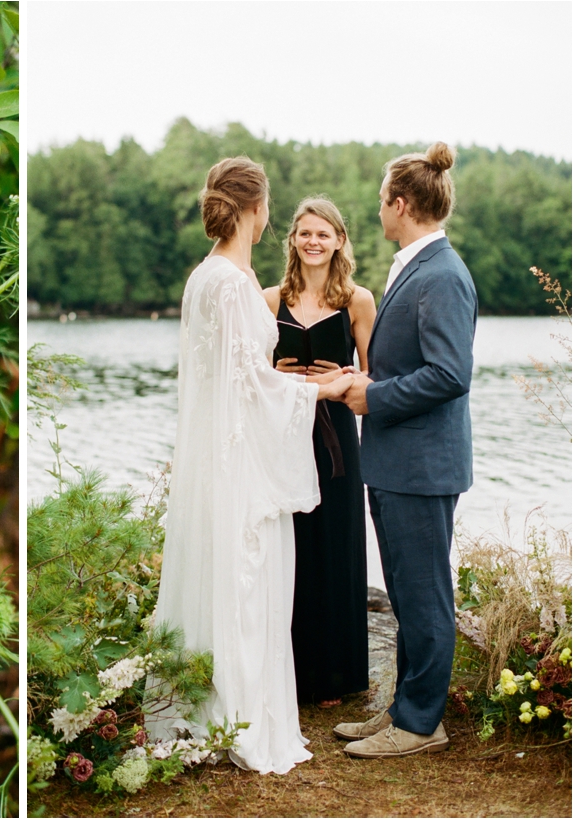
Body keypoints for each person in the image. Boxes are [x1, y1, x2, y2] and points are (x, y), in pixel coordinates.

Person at [147, 157, 353, 775]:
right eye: (268, 209)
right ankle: (236, 718)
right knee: (245, 579)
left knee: (220, 575)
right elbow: (248, 385)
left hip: (216, 455)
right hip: (239, 464)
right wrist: (325, 389)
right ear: (255, 210)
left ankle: (204, 705)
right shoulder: (233, 283)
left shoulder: (205, 275)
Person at [332, 142, 477, 758]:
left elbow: (451, 374)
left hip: (421, 466)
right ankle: (403, 709)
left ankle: (420, 725)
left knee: (423, 595)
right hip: (396, 462)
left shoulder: (443, 274)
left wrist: (374, 396)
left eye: (381, 203)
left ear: (401, 204)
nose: (378, 213)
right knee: (403, 590)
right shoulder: (412, 265)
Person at [262, 199, 376, 708]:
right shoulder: (269, 300)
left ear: (339, 241)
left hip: (334, 441)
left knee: (334, 547)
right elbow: (251, 379)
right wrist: (284, 379)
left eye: (323, 234)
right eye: (305, 233)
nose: (313, 242)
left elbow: (374, 381)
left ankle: (335, 675)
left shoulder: (358, 301)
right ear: (292, 240)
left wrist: (338, 380)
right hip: (281, 437)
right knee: (291, 547)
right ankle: (287, 670)